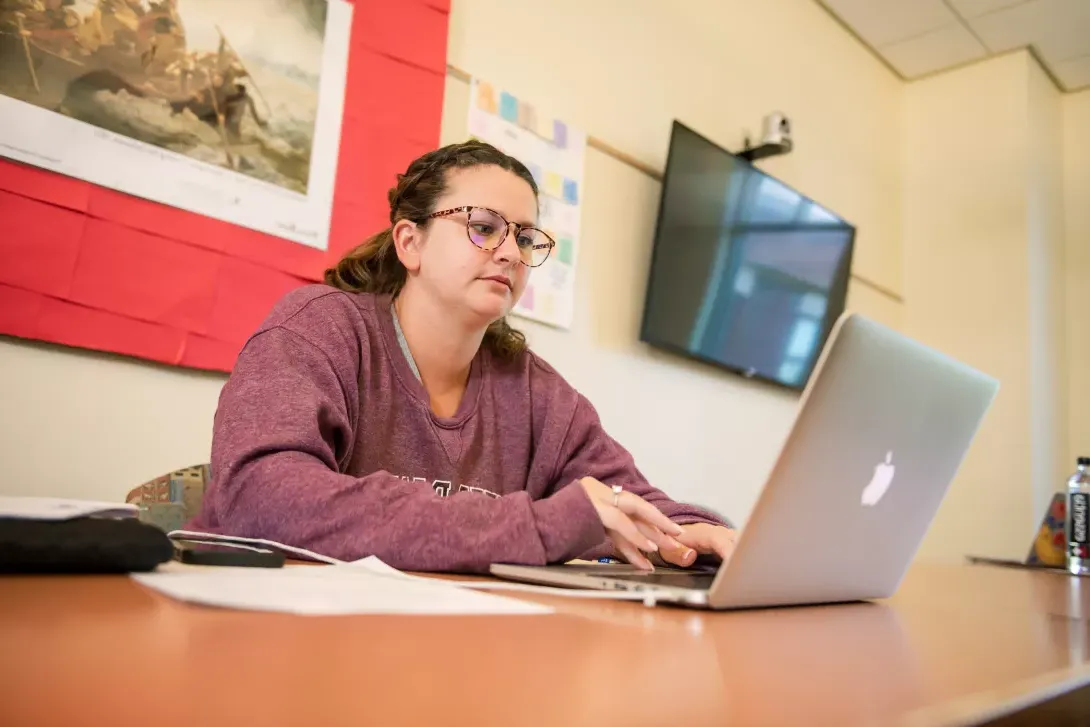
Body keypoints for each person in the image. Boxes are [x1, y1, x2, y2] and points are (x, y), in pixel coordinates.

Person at [185, 139, 736, 573]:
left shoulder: (536, 391)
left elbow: (626, 498)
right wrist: (539, 527)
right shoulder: (317, 327)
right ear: (410, 243)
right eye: (482, 227)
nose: (508, 252)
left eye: (524, 238)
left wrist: (694, 532)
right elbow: (260, 497)